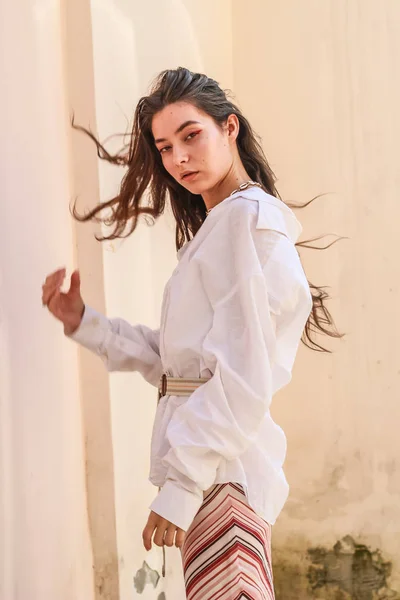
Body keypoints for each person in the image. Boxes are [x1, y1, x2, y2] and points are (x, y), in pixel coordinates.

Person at [42, 67, 342, 599]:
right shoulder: (222, 226)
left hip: (222, 474)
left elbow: (243, 375)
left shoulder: (245, 221)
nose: (178, 157)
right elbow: (178, 360)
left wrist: (182, 485)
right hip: (216, 472)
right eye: (164, 147)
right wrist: (84, 322)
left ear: (229, 129)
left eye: (190, 135)